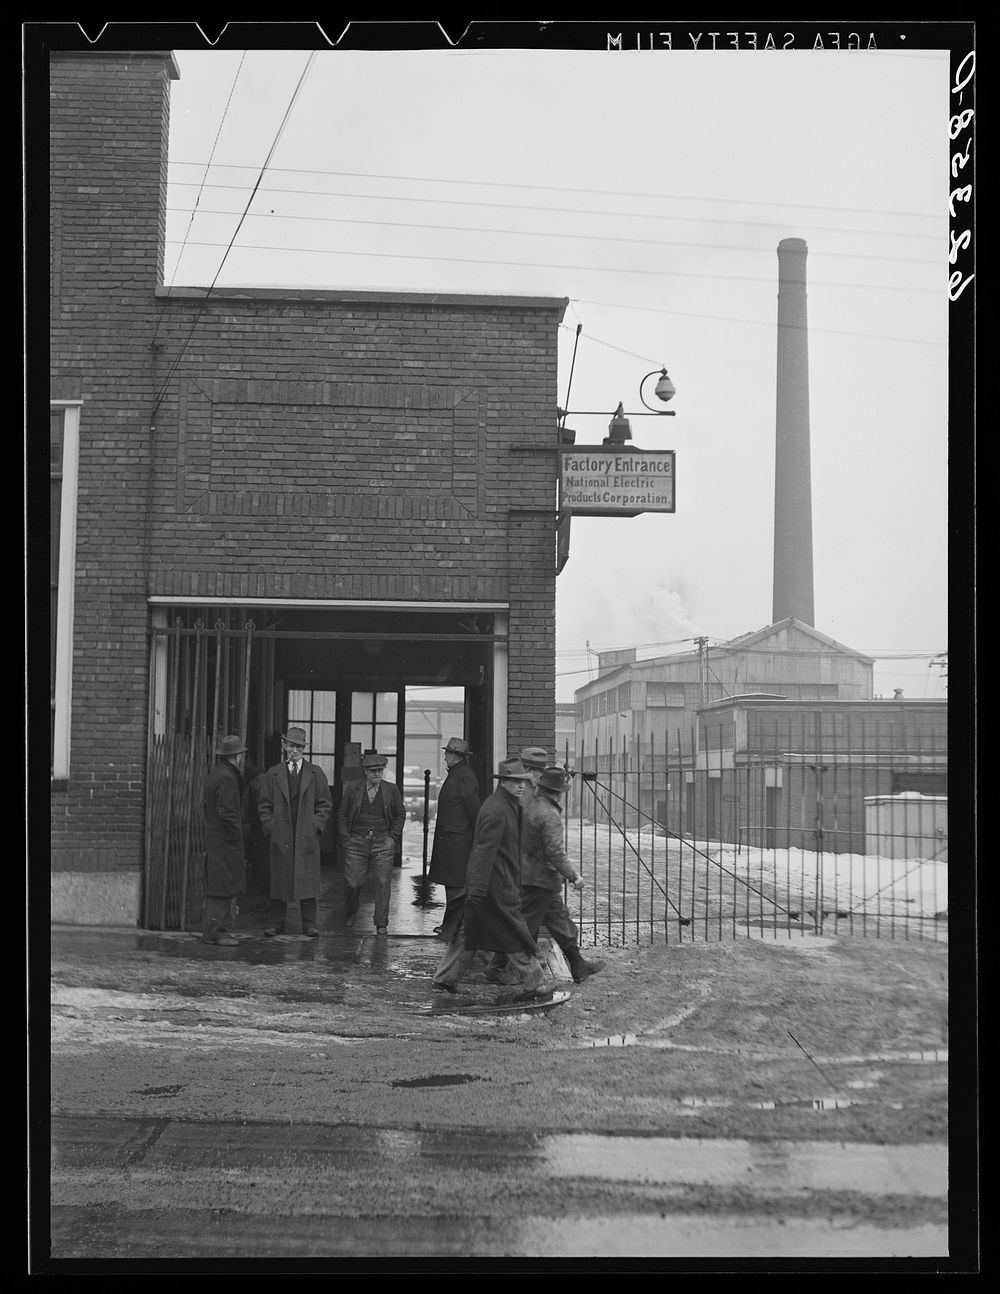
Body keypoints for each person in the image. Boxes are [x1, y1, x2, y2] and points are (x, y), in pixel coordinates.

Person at [431, 757, 547, 996]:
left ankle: (444, 979)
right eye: (515, 782)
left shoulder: (508, 806)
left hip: (493, 886)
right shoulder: (495, 809)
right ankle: (535, 982)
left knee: (468, 933)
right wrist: (478, 891)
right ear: (503, 782)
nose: (521, 786)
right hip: (492, 888)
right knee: (513, 933)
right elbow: (483, 853)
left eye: (523, 782)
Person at [508, 765, 606, 984]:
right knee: (523, 929)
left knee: (560, 923)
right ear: (558, 791)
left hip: (539, 879)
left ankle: (579, 966)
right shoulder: (549, 815)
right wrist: (573, 876)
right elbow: (555, 852)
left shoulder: (534, 806)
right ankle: (508, 971)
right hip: (540, 880)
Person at [257, 726, 333, 937]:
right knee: (279, 880)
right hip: (281, 835)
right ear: (284, 746)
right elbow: (264, 805)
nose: (295, 750)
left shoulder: (315, 773)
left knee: (307, 880)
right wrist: (271, 827)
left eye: (299, 746)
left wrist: (315, 826)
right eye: (291, 745)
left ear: (304, 749)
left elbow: (325, 804)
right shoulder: (273, 774)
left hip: (305, 836)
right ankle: (276, 923)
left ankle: (309, 924)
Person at [337, 751, 406, 934]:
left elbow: (400, 814)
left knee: (383, 882)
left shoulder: (391, 790)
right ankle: (351, 911)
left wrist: (392, 838)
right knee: (353, 882)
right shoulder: (353, 789)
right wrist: (346, 839)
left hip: (383, 842)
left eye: (380, 770)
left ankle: (381, 923)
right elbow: (343, 814)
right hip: (356, 842)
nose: (377, 774)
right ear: (365, 772)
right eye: (373, 771)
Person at [427, 737, 481, 941]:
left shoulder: (464, 776)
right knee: (453, 887)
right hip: (452, 841)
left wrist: (477, 839)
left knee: (457, 888)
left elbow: (473, 810)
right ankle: (451, 927)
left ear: (455, 755)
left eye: (447, 753)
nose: (445, 757)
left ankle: (453, 930)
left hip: (458, 843)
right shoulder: (458, 774)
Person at [201, 733, 249, 946]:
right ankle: (216, 932)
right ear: (237, 756)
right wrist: (237, 834)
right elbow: (226, 811)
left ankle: (216, 930)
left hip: (217, 839)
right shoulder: (228, 777)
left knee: (220, 884)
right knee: (222, 886)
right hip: (225, 841)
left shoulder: (218, 774)